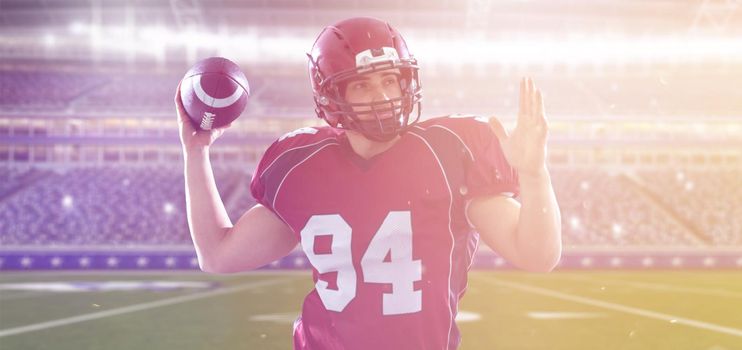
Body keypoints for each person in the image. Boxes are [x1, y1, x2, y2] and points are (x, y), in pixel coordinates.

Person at [176, 16, 561, 350]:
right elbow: (219, 256)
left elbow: (537, 255)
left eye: (390, 80)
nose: (382, 96)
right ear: (332, 95)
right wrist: (196, 152)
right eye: (361, 85)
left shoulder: (453, 151)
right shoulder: (301, 164)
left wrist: (534, 174)